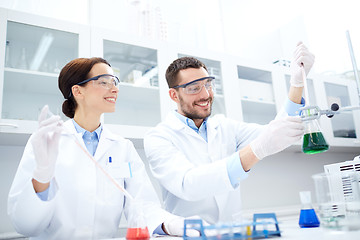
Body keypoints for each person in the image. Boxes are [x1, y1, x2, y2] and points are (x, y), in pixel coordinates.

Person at [7, 57, 196, 239]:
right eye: (105, 82)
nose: (115, 89)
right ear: (78, 91)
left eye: (115, 82)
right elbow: (25, 225)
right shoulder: (46, 141)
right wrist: (42, 176)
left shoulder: (123, 148)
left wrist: (170, 224)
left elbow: (141, 204)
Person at [144, 42, 315, 224]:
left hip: (231, 232)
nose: (205, 95)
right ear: (173, 95)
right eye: (194, 88)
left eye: (208, 85)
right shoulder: (158, 137)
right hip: (188, 235)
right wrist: (255, 151)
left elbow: (278, 132)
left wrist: (297, 83)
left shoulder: (225, 127)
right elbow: (188, 184)